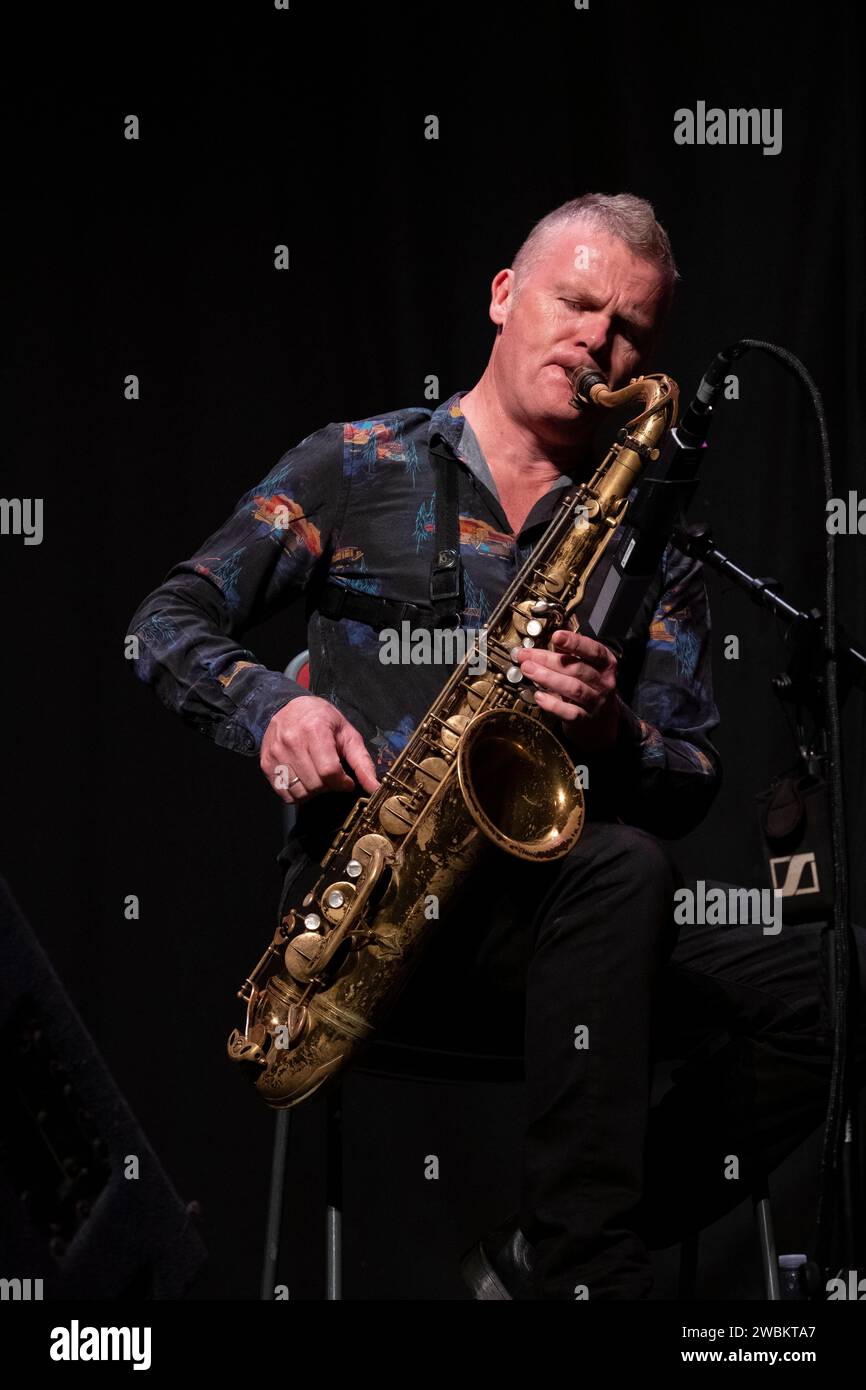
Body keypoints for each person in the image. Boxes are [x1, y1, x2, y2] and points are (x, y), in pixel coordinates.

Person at [127, 192, 864, 1299]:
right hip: (381, 921)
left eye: (629, 333)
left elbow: (693, 774)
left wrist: (615, 730)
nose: (598, 345)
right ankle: (590, 1276)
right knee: (620, 866)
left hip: (574, 931)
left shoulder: (646, 534)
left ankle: (536, 1258)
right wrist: (271, 706)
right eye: (576, 304)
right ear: (503, 295)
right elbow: (162, 620)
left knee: (839, 980)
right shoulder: (353, 462)